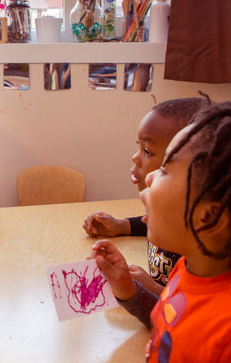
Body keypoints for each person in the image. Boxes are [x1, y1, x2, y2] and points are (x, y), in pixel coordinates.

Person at [91, 101, 231, 362]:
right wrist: (129, 290)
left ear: (209, 217)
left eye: (165, 170)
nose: (149, 177)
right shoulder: (191, 269)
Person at [83, 97, 205, 294]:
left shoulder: (198, 250)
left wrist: (153, 290)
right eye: (139, 146)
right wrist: (121, 225)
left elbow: (186, 311)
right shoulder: (171, 218)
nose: (135, 157)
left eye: (147, 151)